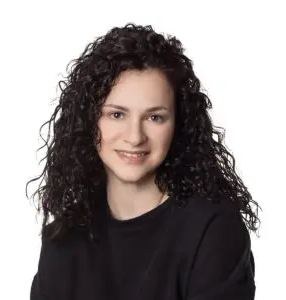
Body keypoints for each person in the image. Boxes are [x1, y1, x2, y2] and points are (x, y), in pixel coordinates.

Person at [27, 23, 261, 300]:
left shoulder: (213, 229)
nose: (135, 136)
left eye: (155, 117)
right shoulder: (64, 237)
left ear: (178, 125)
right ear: (89, 120)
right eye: (117, 114)